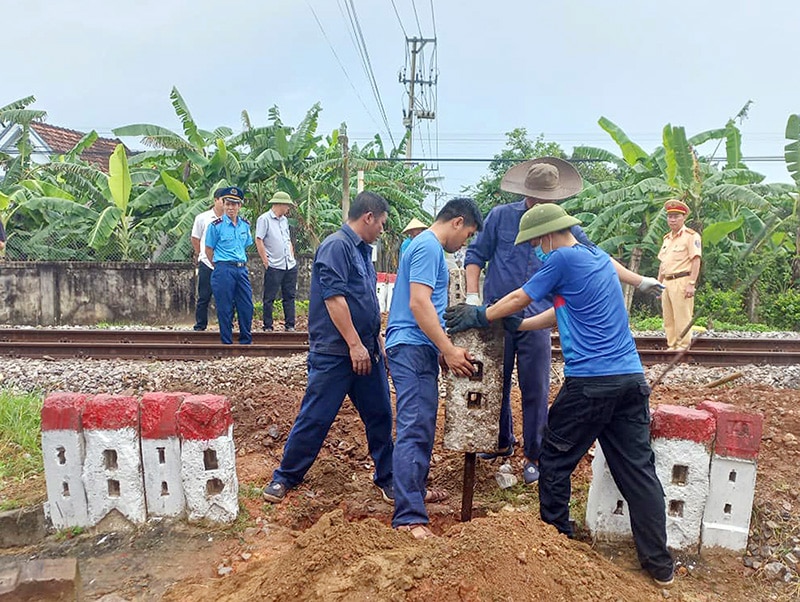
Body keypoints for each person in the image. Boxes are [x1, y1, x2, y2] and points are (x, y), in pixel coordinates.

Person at [445, 203, 675, 587]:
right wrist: (523, 326)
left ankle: (555, 542)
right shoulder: (595, 258)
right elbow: (563, 311)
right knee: (638, 472)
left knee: (554, 457)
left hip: (590, 384)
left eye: (536, 242)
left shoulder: (561, 260)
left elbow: (518, 296)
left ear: (549, 235)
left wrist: (482, 315)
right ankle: (660, 566)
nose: (536, 250)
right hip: (630, 381)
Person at [463, 157, 662, 486]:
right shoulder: (500, 217)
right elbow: (475, 256)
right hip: (498, 316)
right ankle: (499, 443)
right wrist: (473, 298)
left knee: (535, 387)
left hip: (536, 318)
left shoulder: (565, 226)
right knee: (494, 383)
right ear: (527, 194)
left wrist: (638, 280)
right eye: (539, 199)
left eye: (550, 200)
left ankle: (533, 455)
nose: (544, 204)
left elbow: (599, 258)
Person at [262, 191, 394, 504]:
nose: (382, 230)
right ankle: (285, 477)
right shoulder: (337, 246)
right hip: (337, 354)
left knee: (380, 416)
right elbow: (334, 299)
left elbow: (365, 301)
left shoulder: (361, 251)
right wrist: (354, 344)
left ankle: (388, 478)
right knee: (316, 417)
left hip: (365, 352)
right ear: (368, 217)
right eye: (382, 224)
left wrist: (375, 342)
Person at [385, 197, 483, 540]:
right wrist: (448, 348)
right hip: (411, 346)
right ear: (457, 222)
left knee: (422, 422)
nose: (465, 243)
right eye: (468, 234)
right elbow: (419, 302)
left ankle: (415, 490)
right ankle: (409, 517)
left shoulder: (423, 246)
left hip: (417, 346)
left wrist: (438, 347)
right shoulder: (428, 246)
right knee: (414, 425)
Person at [204, 186, 254, 345]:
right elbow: (208, 249)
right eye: (228, 204)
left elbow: (246, 244)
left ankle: (245, 339)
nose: (231, 208)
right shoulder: (216, 226)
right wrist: (219, 265)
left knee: (246, 305)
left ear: (240, 206)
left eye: (235, 204)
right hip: (223, 268)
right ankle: (227, 342)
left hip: (241, 268)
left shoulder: (245, 225)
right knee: (224, 307)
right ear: (223, 205)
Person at [658, 199, 702, 350]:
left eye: (676, 216)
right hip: (666, 282)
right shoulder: (666, 239)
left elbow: (696, 260)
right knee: (668, 318)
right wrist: (659, 284)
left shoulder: (691, 236)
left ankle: (682, 347)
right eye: (670, 216)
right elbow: (663, 264)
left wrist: (691, 283)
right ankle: (672, 346)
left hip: (682, 280)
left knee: (682, 316)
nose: (672, 219)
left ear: (683, 217)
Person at [255, 191, 298, 332]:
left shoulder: (284, 220)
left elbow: (287, 239)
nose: (288, 209)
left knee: (290, 296)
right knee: (269, 297)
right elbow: (259, 239)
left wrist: (291, 255)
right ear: (279, 204)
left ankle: (290, 325)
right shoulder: (264, 219)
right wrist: (265, 261)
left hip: (289, 264)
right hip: (274, 264)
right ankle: (268, 326)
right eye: (287, 206)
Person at [190, 190, 225, 331]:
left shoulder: (231, 219)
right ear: (216, 200)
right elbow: (195, 238)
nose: (226, 204)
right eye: (223, 200)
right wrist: (201, 254)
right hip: (206, 263)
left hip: (224, 263)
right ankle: (200, 325)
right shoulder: (202, 218)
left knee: (225, 297)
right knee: (204, 296)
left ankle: (225, 324)